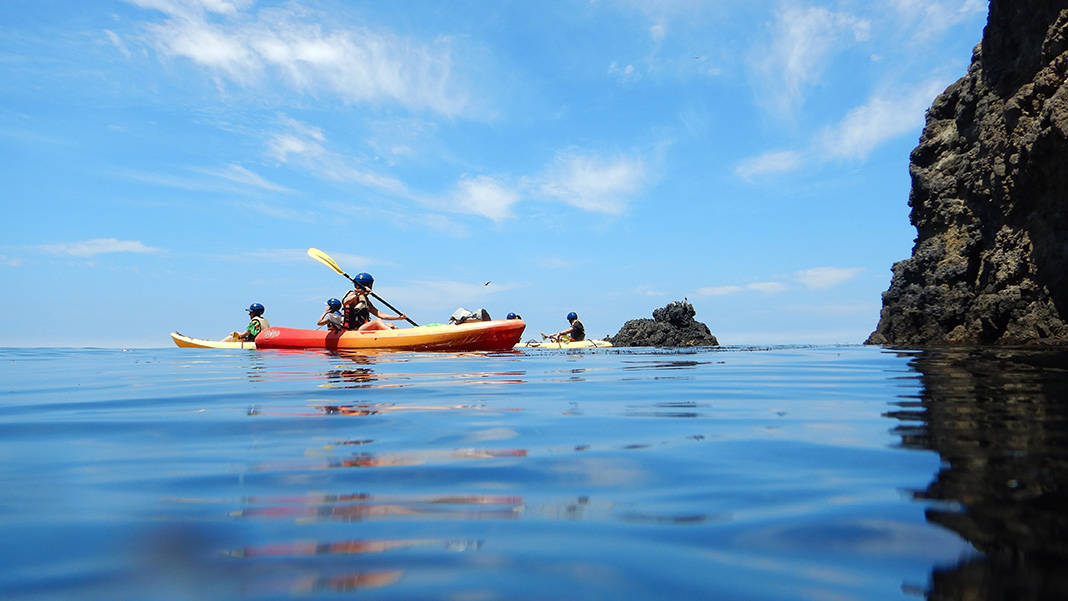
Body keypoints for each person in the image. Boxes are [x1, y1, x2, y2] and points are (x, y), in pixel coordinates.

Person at [342, 272, 408, 332]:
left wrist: (398, 317)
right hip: (352, 330)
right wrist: (359, 293)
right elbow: (345, 302)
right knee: (377, 321)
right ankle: (395, 335)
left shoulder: (365, 301)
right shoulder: (353, 294)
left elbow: (380, 314)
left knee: (390, 325)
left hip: (362, 328)